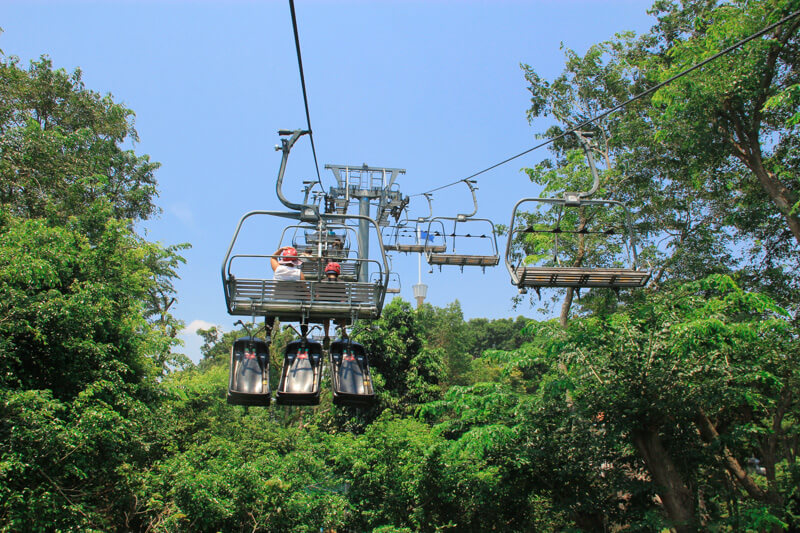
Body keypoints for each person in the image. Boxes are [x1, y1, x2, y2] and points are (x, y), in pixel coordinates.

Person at [265, 246, 306, 339]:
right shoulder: (299, 273)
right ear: (295, 261)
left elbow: (273, 257)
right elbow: (305, 290)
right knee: (305, 310)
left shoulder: (278, 269)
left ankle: (268, 333)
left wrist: (281, 249)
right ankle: (304, 333)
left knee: (269, 309)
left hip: (276, 305)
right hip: (294, 305)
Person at [322, 261, 347, 350]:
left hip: (324, 309)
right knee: (342, 315)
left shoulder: (321, 282)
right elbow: (344, 297)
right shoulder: (342, 283)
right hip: (338, 309)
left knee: (326, 317)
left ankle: (326, 335)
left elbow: (317, 296)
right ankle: (344, 332)